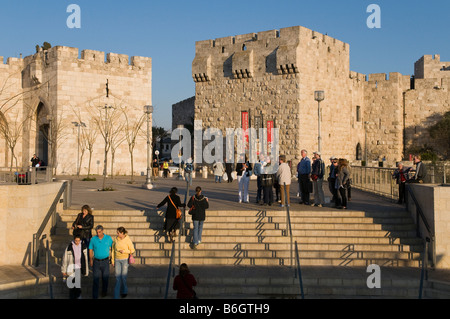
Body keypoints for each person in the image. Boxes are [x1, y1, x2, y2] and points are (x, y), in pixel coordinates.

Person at [89, 225, 113, 299]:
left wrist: (112, 257)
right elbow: (90, 249)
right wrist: (90, 260)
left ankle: (104, 292)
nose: (98, 233)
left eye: (99, 232)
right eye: (97, 232)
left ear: (103, 231)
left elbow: (113, 247)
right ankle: (95, 295)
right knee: (95, 279)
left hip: (105, 261)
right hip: (96, 261)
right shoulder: (93, 239)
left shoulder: (108, 238)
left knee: (105, 278)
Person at [61, 234, 89, 299]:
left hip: (78, 267)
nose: (77, 242)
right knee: (71, 284)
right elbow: (65, 259)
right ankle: (73, 296)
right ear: (74, 240)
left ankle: (78, 295)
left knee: (77, 283)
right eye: (76, 240)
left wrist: (85, 269)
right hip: (71, 268)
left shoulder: (83, 246)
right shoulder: (69, 247)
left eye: (78, 241)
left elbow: (85, 259)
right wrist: (63, 270)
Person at [112, 227, 135, 299]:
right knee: (117, 278)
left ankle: (124, 291)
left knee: (123, 277)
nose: (117, 234)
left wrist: (124, 251)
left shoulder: (127, 240)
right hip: (117, 260)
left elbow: (132, 250)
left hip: (125, 260)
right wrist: (112, 260)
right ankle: (116, 296)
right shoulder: (115, 239)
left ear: (122, 233)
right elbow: (113, 250)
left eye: (118, 233)